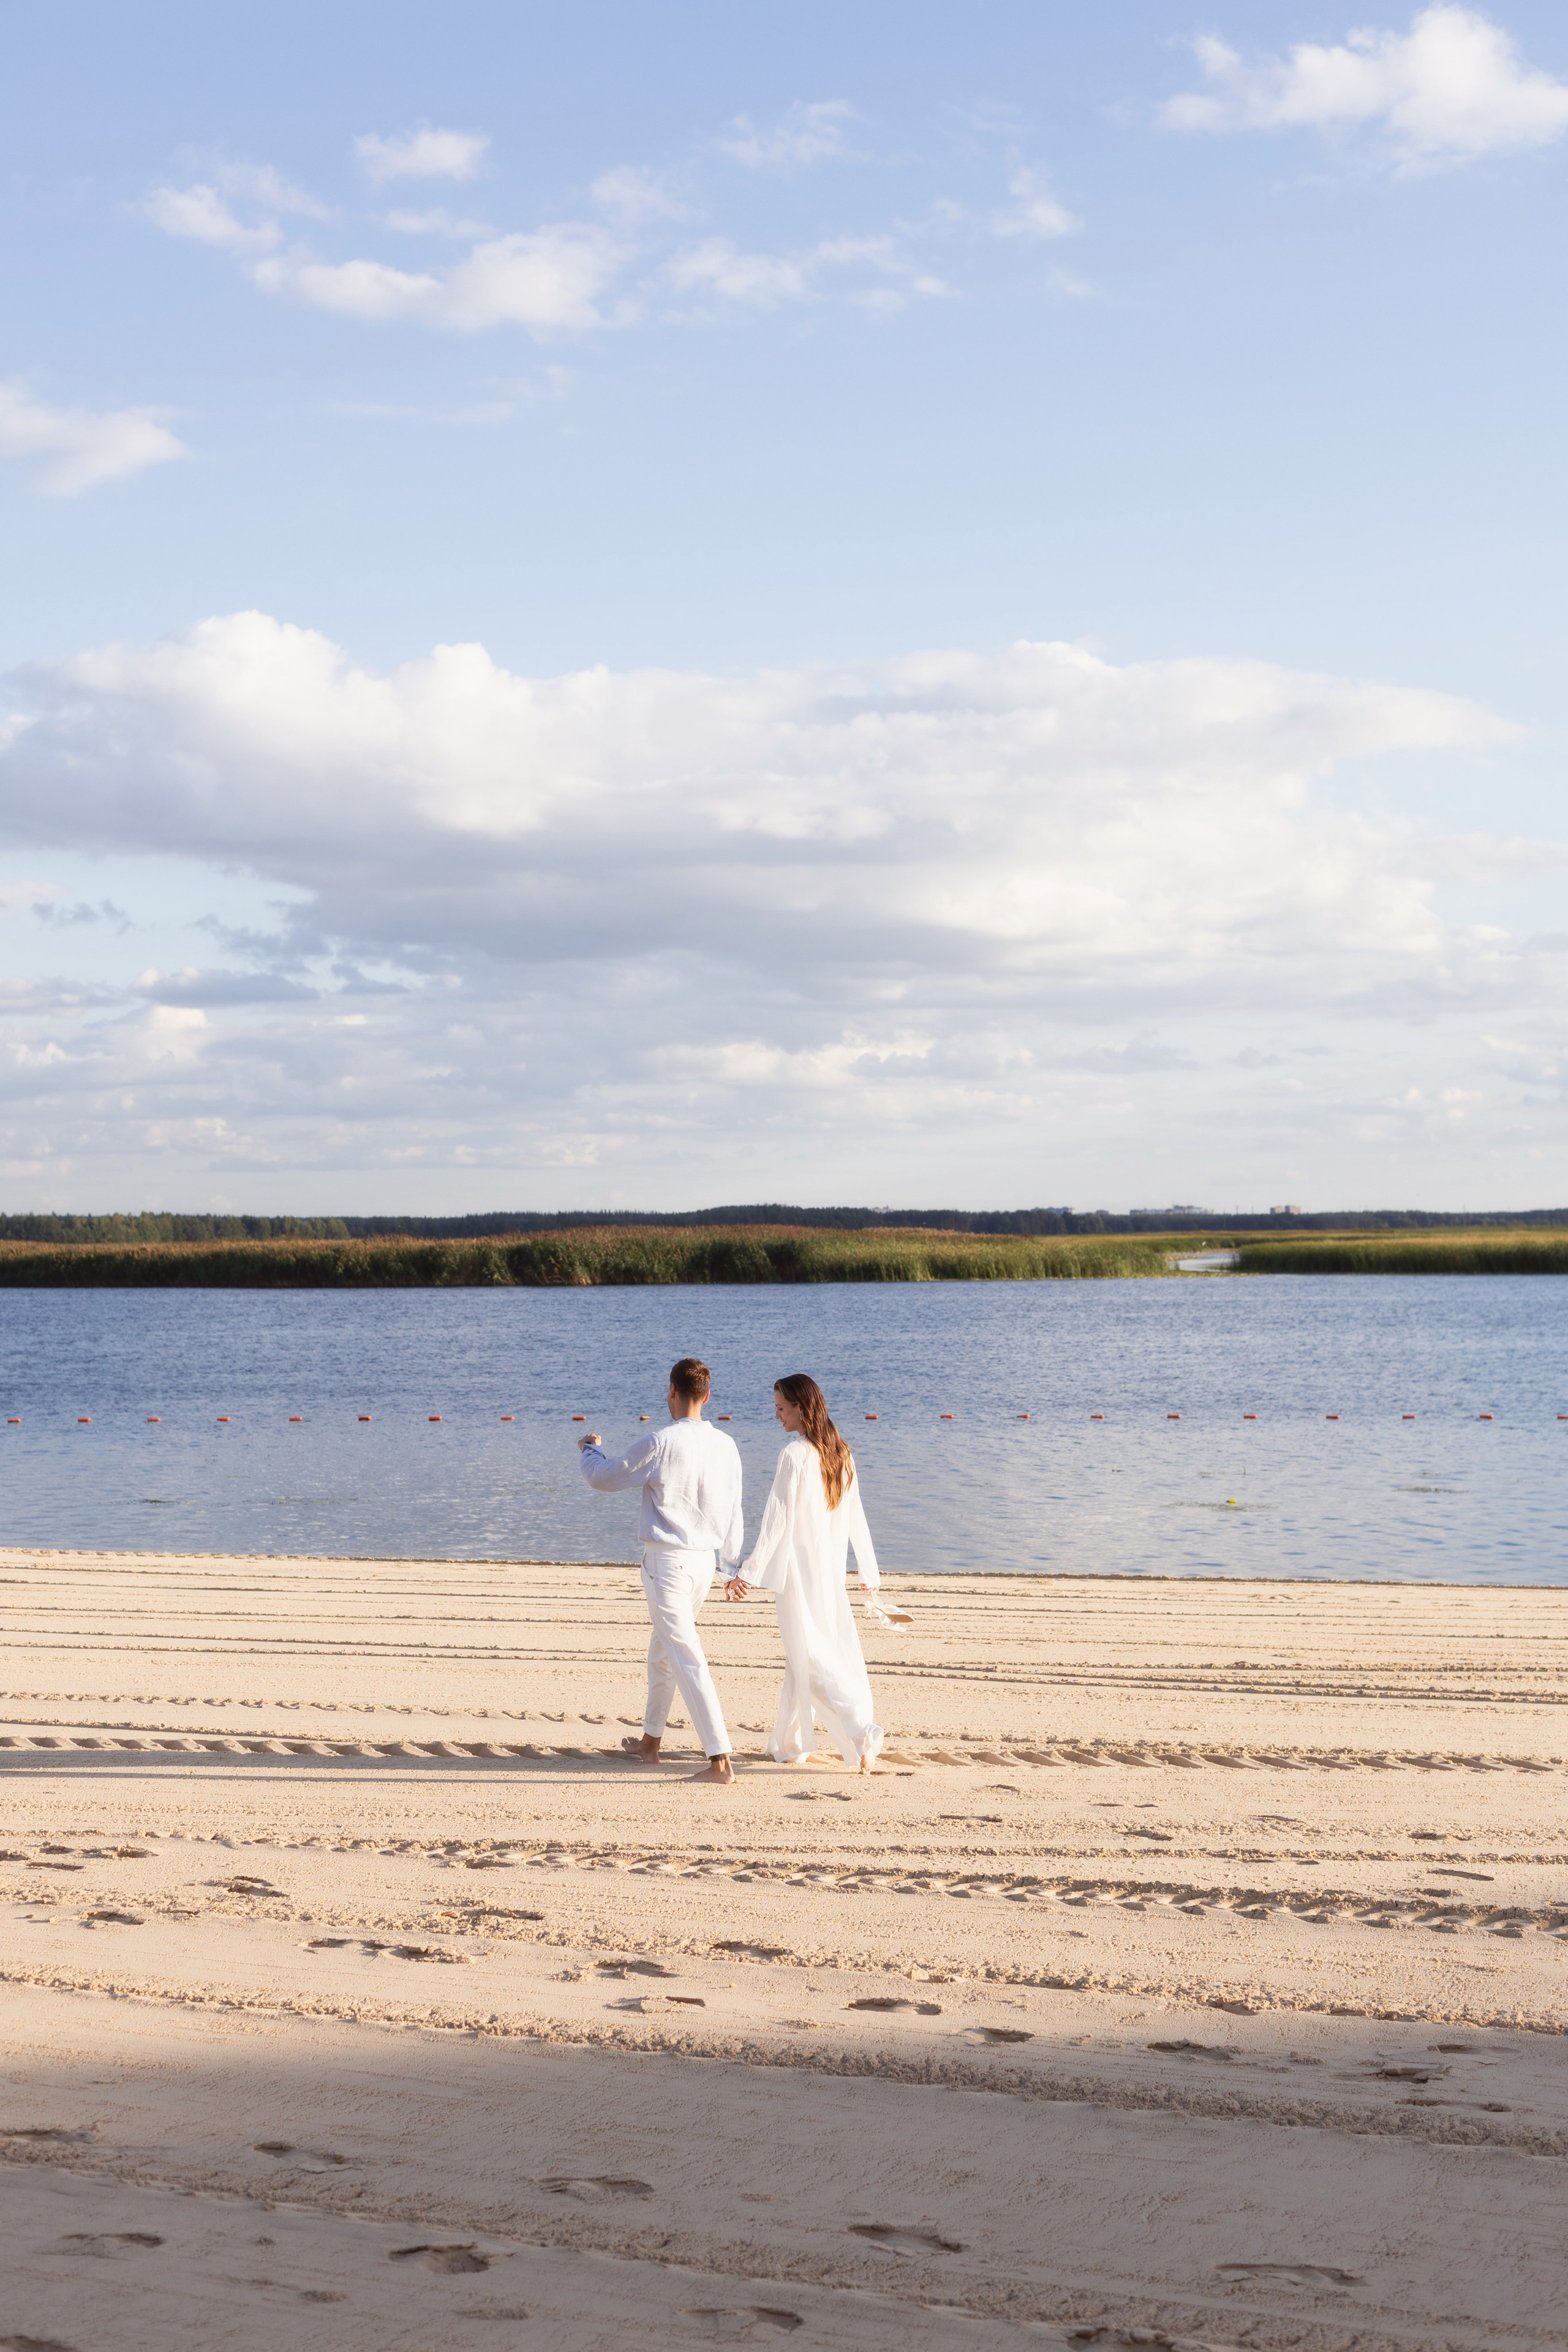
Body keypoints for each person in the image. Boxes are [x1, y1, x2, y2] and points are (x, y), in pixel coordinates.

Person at [578, 1357, 742, 1787]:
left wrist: (589, 1448)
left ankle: (720, 1762)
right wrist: (731, 1567)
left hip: (667, 1564)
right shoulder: (727, 1444)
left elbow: (603, 1478)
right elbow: (735, 1511)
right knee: (664, 1653)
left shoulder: (660, 1440)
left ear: (672, 1392)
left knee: (686, 1656)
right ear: (706, 1397)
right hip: (704, 1564)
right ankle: (651, 1743)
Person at [725, 1371, 895, 1774]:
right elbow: (858, 1518)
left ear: (801, 1408)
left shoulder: (794, 1455)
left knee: (811, 1657)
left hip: (798, 1577)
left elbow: (776, 1522)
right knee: (803, 1657)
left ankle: (861, 1730)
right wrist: (869, 1572)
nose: (777, 1416)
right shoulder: (842, 1452)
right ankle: (791, 1743)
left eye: (781, 1409)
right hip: (830, 1572)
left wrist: (748, 1572)